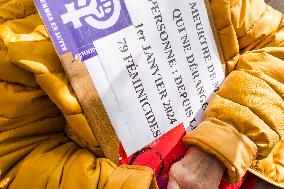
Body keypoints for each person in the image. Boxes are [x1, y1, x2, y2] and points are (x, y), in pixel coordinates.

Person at [0, 0, 283, 188]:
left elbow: (274, 45)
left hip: (254, 169)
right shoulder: (13, 30)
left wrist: (219, 148)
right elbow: (17, 158)